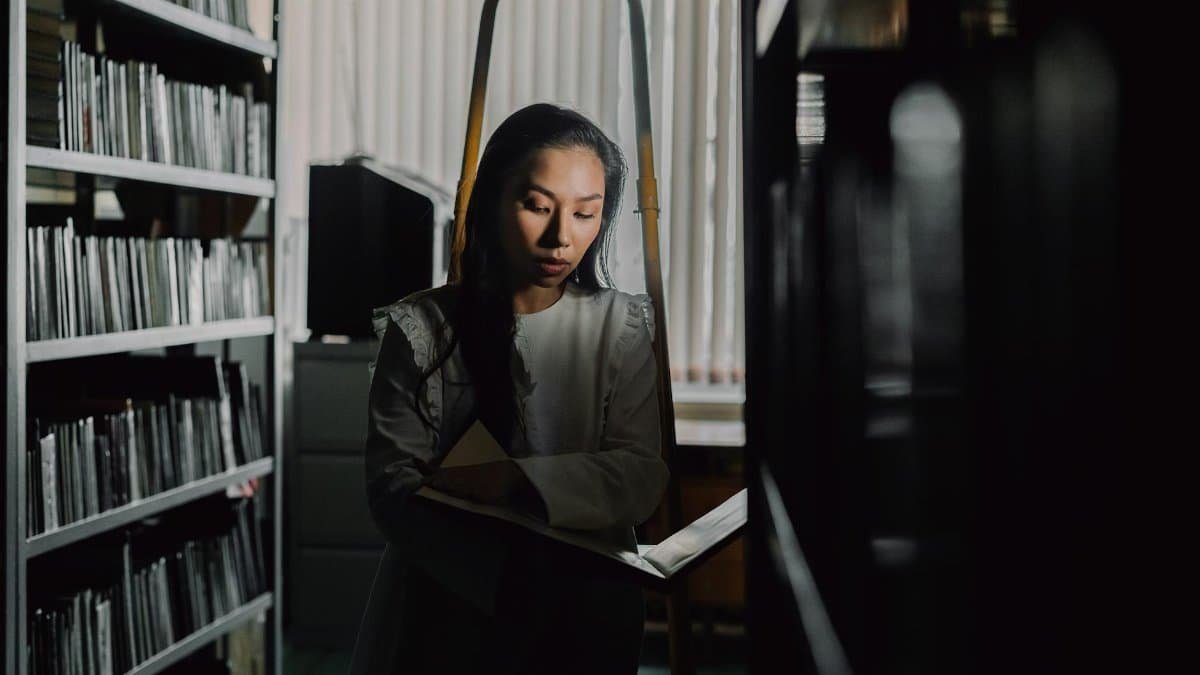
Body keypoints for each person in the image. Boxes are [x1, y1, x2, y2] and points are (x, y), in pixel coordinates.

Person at [348, 103, 669, 675]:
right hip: (452, 605)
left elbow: (640, 476)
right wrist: (495, 578)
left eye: (585, 214)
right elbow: (392, 488)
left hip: (586, 605)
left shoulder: (619, 328)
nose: (559, 237)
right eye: (538, 206)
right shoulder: (424, 328)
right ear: (494, 201)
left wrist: (515, 481)